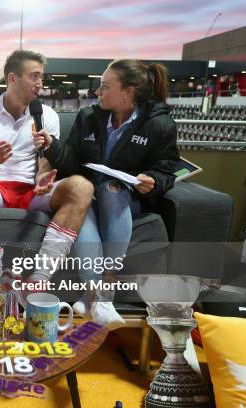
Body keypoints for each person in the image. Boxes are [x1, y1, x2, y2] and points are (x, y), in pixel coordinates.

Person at [38, 59, 179, 329]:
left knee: (112, 190)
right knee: (83, 206)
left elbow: (167, 169)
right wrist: (53, 146)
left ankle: (105, 292)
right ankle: (94, 297)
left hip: (125, 199)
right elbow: (71, 162)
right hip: (90, 195)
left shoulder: (160, 124)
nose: (97, 93)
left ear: (127, 92)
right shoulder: (88, 117)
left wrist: (153, 181)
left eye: (104, 87)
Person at [0, 50, 98, 315]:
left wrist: (43, 178)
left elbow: (45, 166)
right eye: (34, 76)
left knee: (82, 185)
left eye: (42, 77)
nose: (41, 83)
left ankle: (38, 281)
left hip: (32, 191)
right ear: (12, 78)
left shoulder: (46, 116)